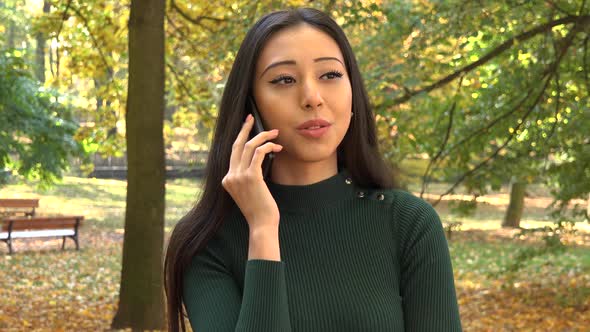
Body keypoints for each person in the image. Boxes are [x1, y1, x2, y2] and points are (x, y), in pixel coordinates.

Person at [164, 7, 462, 332]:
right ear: (251, 104)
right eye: (284, 80)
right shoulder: (208, 242)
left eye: (330, 75)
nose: (312, 97)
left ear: (353, 91)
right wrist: (263, 229)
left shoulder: (408, 224)